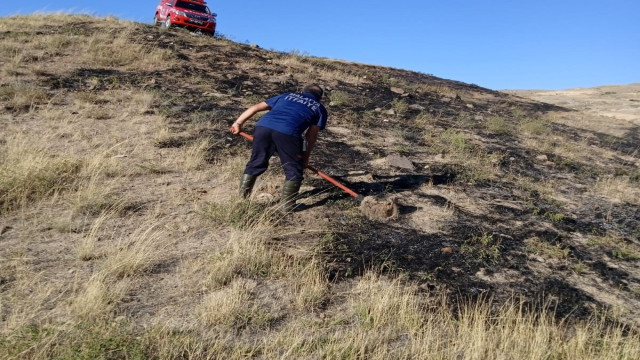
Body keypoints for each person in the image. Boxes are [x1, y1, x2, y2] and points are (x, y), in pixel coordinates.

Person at [229, 84, 328, 212]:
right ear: (320, 98)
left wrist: (237, 123)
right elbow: (311, 135)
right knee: (294, 170)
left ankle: (241, 201)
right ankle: (287, 207)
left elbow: (255, 108)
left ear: (301, 91)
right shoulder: (320, 108)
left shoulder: (287, 96)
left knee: (256, 162)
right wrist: (305, 158)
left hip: (263, 127)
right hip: (288, 133)